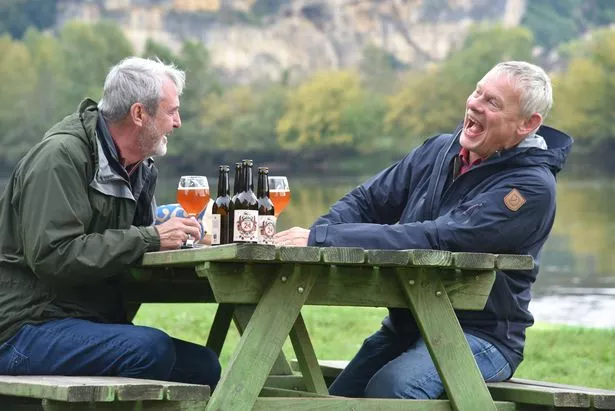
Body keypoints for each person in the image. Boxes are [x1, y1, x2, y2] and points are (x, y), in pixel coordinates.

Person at [274, 61, 573, 399]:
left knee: (393, 391)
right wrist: (315, 237)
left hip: (482, 337)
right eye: (478, 91)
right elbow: (367, 201)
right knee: (338, 399)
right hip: (407, 327)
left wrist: (323, 239)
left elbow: (438, 238)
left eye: (493, 103)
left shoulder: (529, 189)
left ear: (527, 124)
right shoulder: (437, 150)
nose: (475, 103)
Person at [0, 57, 221, 387]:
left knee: (204, 366)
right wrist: (151, 238)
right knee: (150, 349)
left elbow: (140, 244)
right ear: (138, 114)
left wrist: (190, 240)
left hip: (83, 321)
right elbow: (54, 255)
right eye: (171, 111)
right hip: (24, 328)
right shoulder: (60, 157)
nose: (178, 122)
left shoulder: (138, 169)